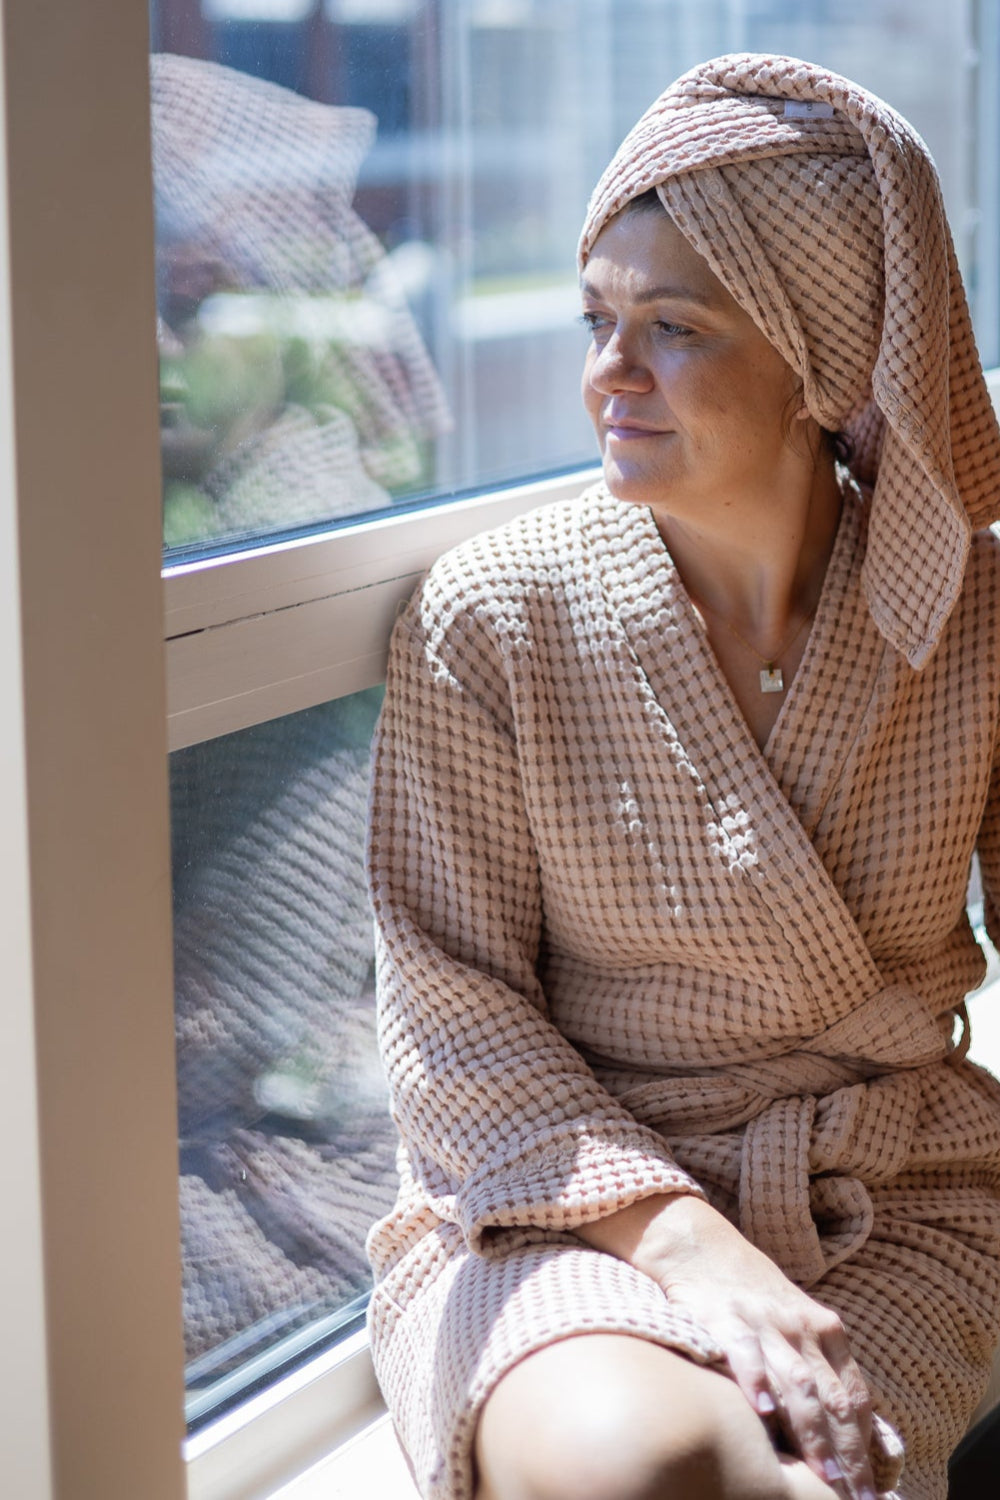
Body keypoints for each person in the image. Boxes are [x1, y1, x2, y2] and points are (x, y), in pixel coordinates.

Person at [365, 53, 1000, 1500]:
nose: (607, 372)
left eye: (674, 327)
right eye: (598, 318)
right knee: (644, 1469)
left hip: (893, 1189)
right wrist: (689, 1246)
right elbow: (448, 1019)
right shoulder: (495, 616)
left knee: (825, 1484)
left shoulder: (973, 613)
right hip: (556, 1200)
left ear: (821, 362)